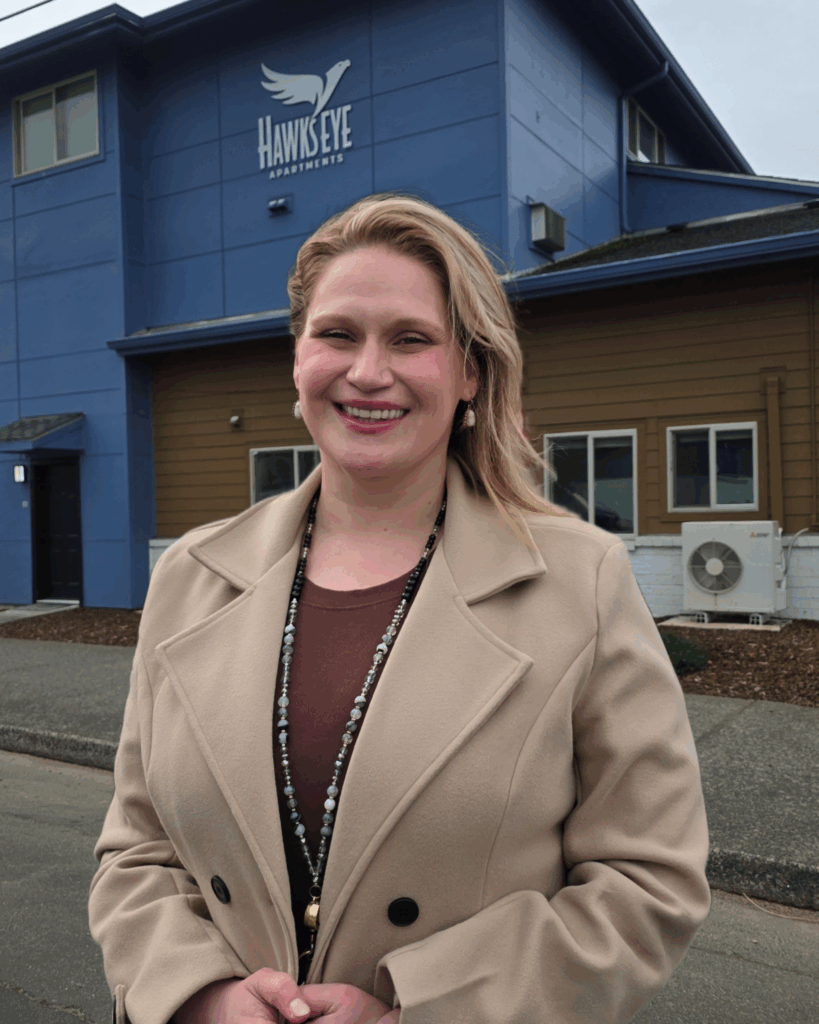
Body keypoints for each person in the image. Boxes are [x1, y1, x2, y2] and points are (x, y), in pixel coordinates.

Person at [89, 192, 710, 1024]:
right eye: (337, 334)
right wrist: (197, 996)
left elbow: (647, 883)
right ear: (298, 359)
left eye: (410, 339)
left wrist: (416, 1011)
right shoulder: (190, 577)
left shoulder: (580, 582)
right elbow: (136, 851)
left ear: (469, 373)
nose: (367, 372)